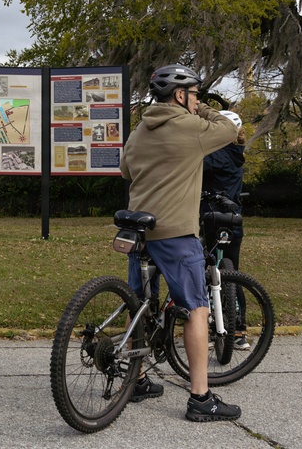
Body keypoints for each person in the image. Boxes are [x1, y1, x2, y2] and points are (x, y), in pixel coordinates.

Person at [119, 64, 240, 421]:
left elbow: (126, 170)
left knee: (139, 304)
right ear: (180, 95)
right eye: (195, 94)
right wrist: (202, 109)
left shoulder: (139, 131)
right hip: (175, 232)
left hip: (138, 229)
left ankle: (137, 379)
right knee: (197, 309)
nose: (198, 100)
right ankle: (201, 398)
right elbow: (230, 129)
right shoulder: (191, 126)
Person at [203, 110, 249, 349]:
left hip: (214, 220)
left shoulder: (217, 156)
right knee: (231, 274)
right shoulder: (234, 153)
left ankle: (222, 327)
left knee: (212, 274)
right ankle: (238, 328)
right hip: (232, 221)